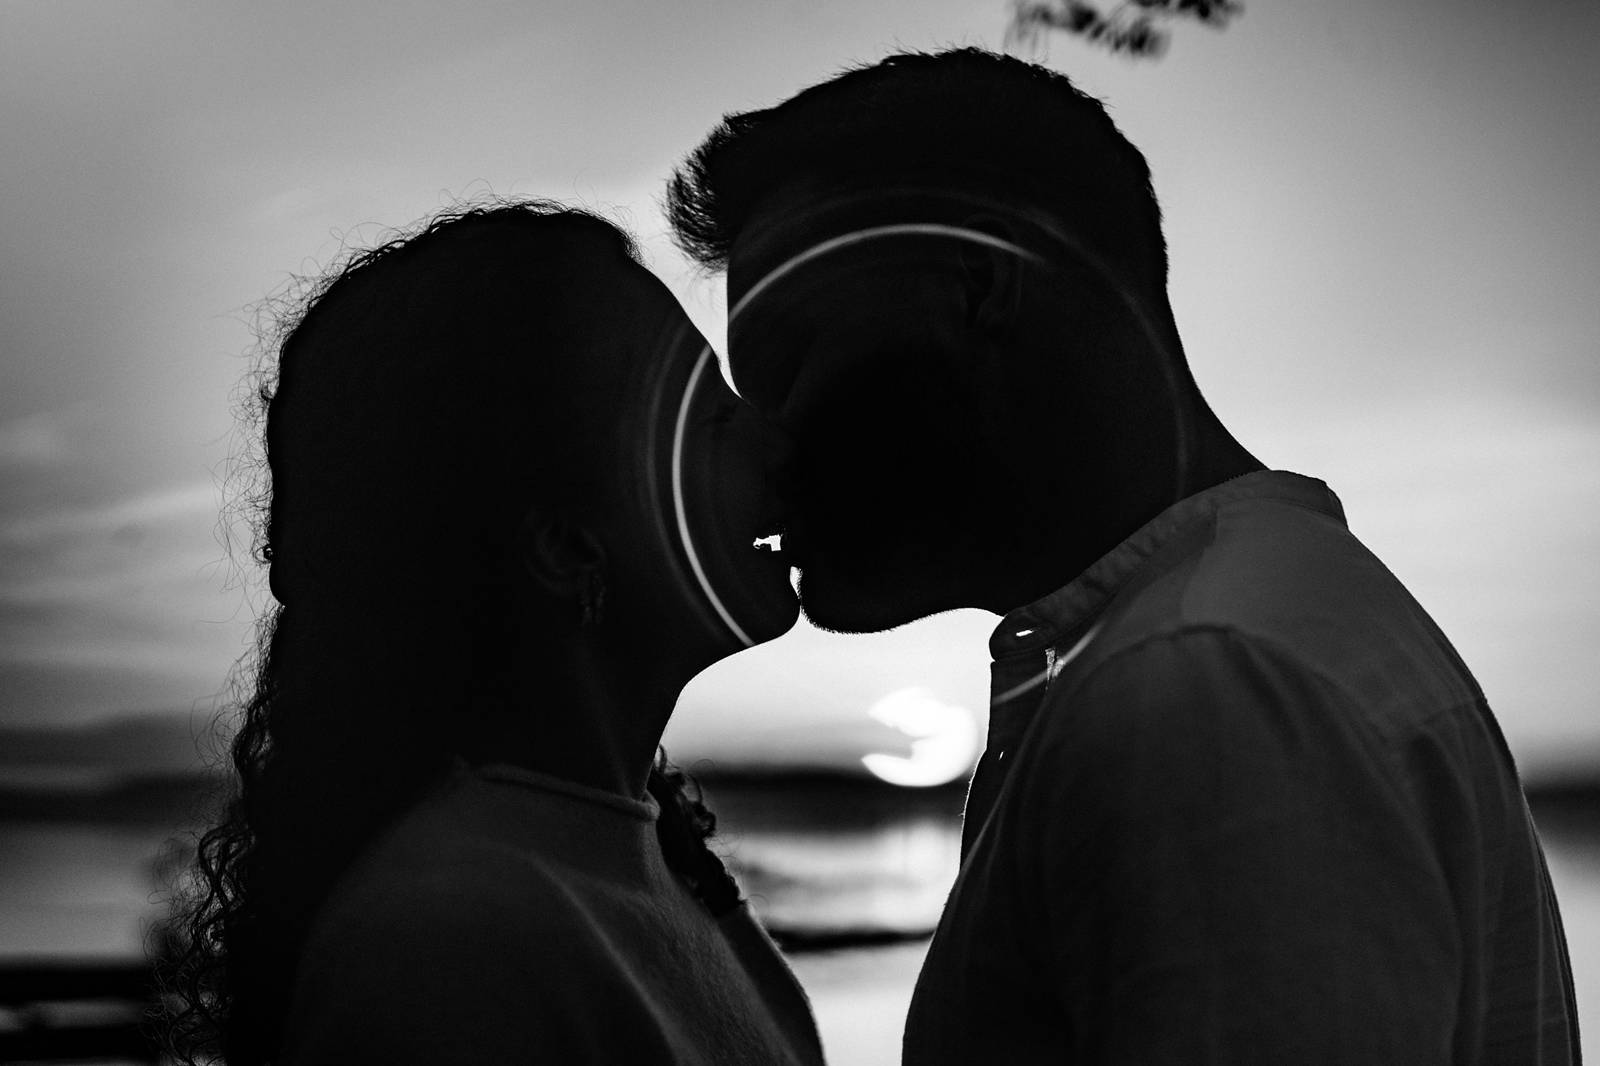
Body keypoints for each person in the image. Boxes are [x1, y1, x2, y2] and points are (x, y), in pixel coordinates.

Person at [666, 48, 1581, 1064]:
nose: (763, 446)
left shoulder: (1198, 686)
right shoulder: (1257, 629)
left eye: (790, 361)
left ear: (977, 279)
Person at [163, 202, 824, 1066]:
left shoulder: (656, 867)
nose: (777, 442)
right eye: (709, 421)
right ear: (564, 546)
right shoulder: (446, 943)